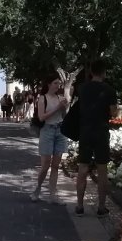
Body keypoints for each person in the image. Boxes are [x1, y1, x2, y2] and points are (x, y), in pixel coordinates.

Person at [75, 59, 118, 216]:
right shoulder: (109, 90)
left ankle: (80, 206)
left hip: (85, 131)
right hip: (101, 132)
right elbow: (114, 113)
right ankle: (101, 207)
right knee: (102, 170)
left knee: (82, 168)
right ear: (104, 72)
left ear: (91, 72)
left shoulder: (82, 88)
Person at [30, 74, 69, 204]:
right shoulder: (43, 98)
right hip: (47, 130)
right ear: (49, 84)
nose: (58, 85)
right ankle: (38, 188)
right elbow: (41, 117)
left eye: (59, 83)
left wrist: (64, 108)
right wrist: (57, 108)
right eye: (55, 83)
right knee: (45, 165)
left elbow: (64, 116)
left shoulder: (61, 98)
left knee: (56, 166)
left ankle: (53, 195)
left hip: (60, 131)